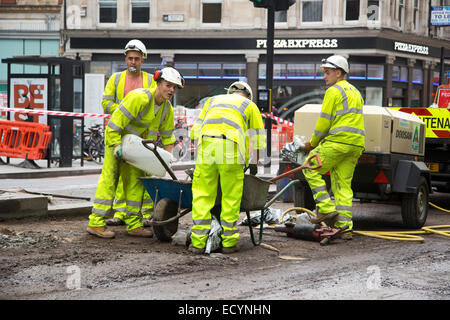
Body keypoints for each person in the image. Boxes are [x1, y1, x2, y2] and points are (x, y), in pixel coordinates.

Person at [87, 67, 183, 239]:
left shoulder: (166, 109)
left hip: (136, 148)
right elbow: (115, 123)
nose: (171, 90)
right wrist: (116, 146)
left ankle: (133, 225)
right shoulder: (140, 97)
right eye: (168, 85)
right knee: (110, 180)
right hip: (117, 142)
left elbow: (168, 138)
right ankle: (96, 223)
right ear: (158, 83)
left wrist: (168, 161)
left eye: (175, 87)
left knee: (135, 184)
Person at [189, 81, 266, 254]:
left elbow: (194, 132)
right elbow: (259, 138)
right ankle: (229, 242)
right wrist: (254, 163)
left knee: (202, 195)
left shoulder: (211, 101)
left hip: (206, 147)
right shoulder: (249, 105)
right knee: (230, 198)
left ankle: (198, 243)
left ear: (230, 92)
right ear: (248, 95)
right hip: (231, 149)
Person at [302, 55, 365, 240]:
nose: (324, 76)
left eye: (327, 72)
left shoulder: (334, 91)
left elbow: (324, 122)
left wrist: (312, 144)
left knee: (309, 167)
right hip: (355, 145)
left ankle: (326, 209)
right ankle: (344, 227)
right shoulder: (355, 92)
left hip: (338, 142)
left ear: (339, 73)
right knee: (342, 185)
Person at [101, 39, 156, 227]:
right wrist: (125, 110)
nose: (133, 62)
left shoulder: (150, 80)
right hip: (118, 133)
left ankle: (148, 213)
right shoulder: (115, 79)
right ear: (125, 59)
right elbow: (106, 103)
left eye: (137, 59)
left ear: (143, 60)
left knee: (144, 175)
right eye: (130, 58)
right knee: (119, 176)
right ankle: (120, 212)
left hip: (140, 135)